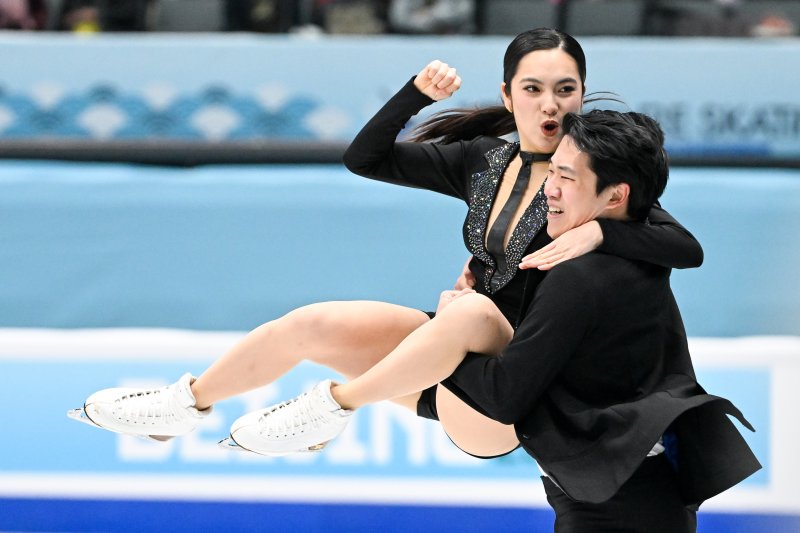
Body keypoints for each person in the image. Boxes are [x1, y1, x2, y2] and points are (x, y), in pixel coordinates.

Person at [68, 29, 702, 460]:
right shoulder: (484, 161)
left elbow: (682, 245)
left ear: (582, 95)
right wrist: (415, 96)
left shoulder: (588, 182)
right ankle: (185, 404)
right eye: (532, 89)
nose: (551, 105)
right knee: (314, 324)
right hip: (451, 355)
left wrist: (601, 229)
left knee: (473, 311)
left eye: (566, 90)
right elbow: (364, 157)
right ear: (507, 96)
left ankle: (329, 411)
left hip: (519, 396)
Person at [227, 109, 762, 532]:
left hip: (620, 504)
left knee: (468, 318)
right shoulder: (639, 254)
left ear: (615, 196)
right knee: (457, 321)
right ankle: (334, 405)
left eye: (566, 177)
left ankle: (336, 405)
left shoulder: (582, 276)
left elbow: (506, 396)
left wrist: (448, 335)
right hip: (626, 488)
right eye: (551, 170)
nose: (548, 188)